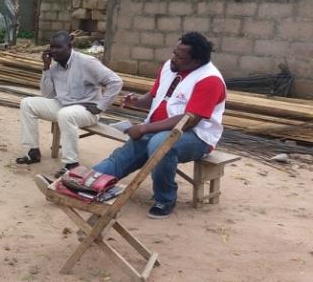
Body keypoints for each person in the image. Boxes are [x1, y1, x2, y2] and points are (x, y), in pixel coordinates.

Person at [93, 32, 226, 219]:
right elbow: (156, 97)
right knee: (121, 158)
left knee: (159, 144)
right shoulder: (169, 67)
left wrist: (143, 128)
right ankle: (87, 181)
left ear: (195, 61)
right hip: (157, 128)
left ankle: (165, 198)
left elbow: (189, 120)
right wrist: (137, 102)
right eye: (174, 53)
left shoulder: (209, 79)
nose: (174, 58)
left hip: (197, 137)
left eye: (180, 57)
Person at [15, 31, 123, 177]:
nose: (54, 51)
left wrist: (100, 106)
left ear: (69, 46)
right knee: (27, 103)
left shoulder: (87, 62)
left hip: (87, 110)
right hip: (63, 105)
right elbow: (47, 95)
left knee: (65, 114)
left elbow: (116, 81)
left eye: (58, 47)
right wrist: (46, 67)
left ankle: (71, 164)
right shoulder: (55, 67)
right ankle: (33, 151)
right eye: (52, 47)